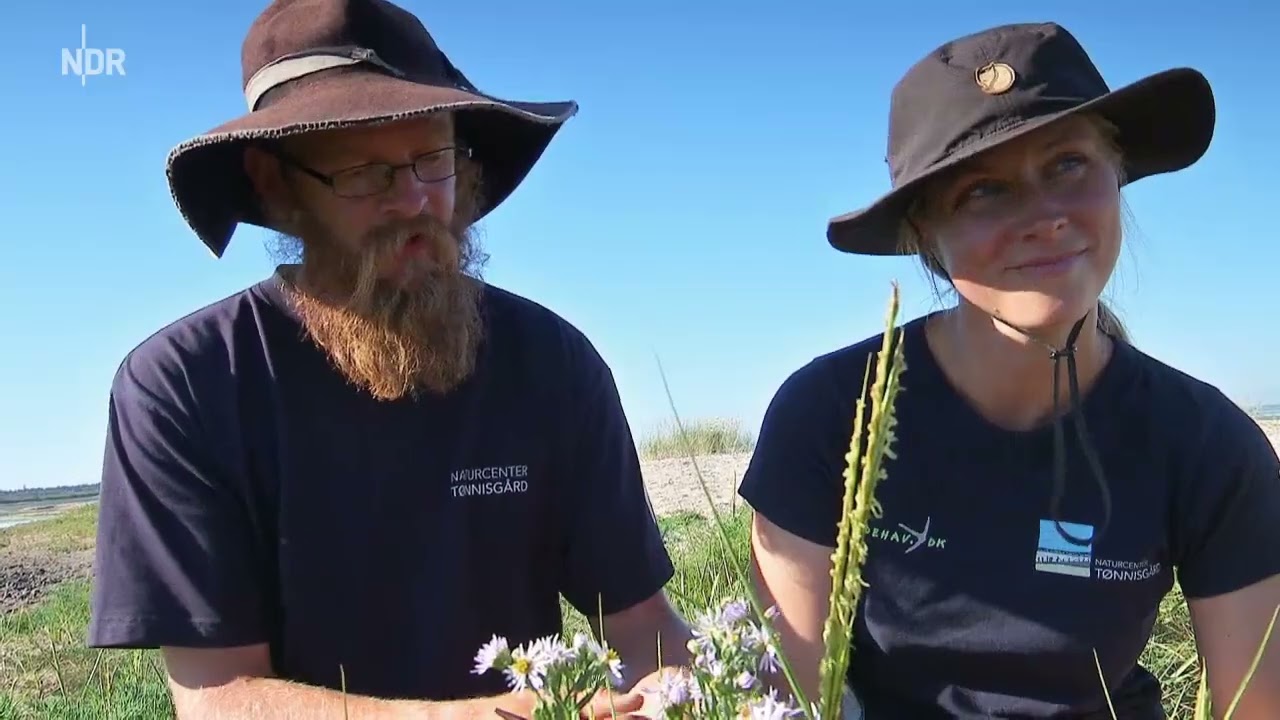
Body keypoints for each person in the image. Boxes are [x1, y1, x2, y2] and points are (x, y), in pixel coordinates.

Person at [86, 1, 692, 717]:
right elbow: (218, 698)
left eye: (433, 159)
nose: (415, 202)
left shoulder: (553, 365)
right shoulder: (184, 386)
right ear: (276, 182)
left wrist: (700, 690)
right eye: (366, 172)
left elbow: (643, 630)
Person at [739, 21, 1280, 720]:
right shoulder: (830, 414)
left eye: (1067, 165)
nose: (1044, 216)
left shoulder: (1207, 444)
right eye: (983, 191)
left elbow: (1255, 705)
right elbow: (787, 695)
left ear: (1117, 173)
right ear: (925, 233)